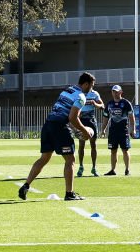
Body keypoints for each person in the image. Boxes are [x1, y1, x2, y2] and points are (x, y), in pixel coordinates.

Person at [18, 72, 97, 201]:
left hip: (48, 125)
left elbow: (64, 112)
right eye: (91, 86)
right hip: (59, 127)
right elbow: (72, 117)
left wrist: (75, 128)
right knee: (70, 160)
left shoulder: (67, 90)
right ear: (86, 84)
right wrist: (84, 130)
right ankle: (69, 193)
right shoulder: (81, 96)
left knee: (44, 158)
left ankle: (26, 185)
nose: (91, 89)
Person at [102, 84, 133, 176]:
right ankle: (112, 170)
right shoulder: (109, 104)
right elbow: (106, 118)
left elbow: (132, 117)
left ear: (121, 92)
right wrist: (103, 130)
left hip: (123, 130)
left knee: (125, 150)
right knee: (113, 150)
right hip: (113, 131)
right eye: (113, 92)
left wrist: (133, 129)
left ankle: (127, 170)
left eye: (117, 91)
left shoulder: (126, 103)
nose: (115, 93)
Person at [76, 87, 104, 178]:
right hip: (81, 121)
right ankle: (81, 166)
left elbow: (102, 106)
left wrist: (95, 103)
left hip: (91, 120)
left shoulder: (95, 94)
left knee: (93, 145)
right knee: (81, 144)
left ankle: (94, 167)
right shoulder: (79, 93)